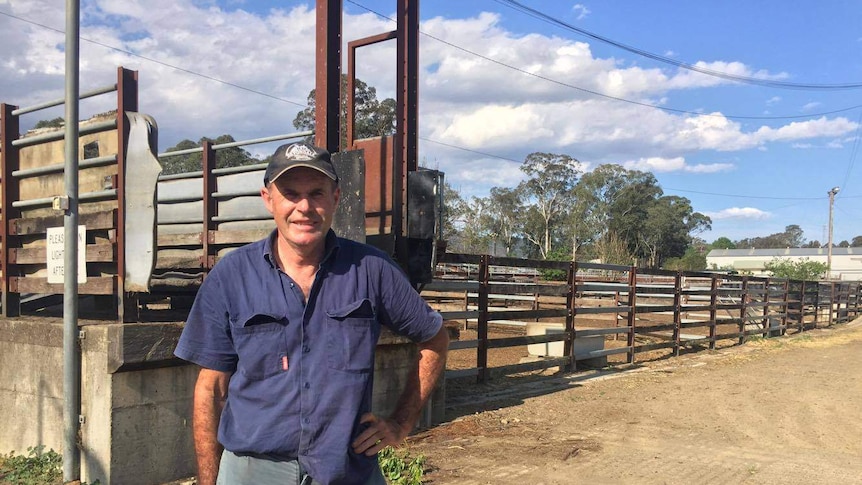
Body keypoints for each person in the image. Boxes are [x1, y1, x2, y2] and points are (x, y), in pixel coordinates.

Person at [174, 141, 449, 485]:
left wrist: (400, 423)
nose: (304, 207)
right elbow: (210, 389)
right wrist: (207, 481)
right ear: (268, 198)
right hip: (253, 472)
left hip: (346, 470)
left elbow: (435, 338)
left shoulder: (372, 270)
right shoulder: (231, 277)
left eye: (316, 193)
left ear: (335, 198)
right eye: (290, 193)